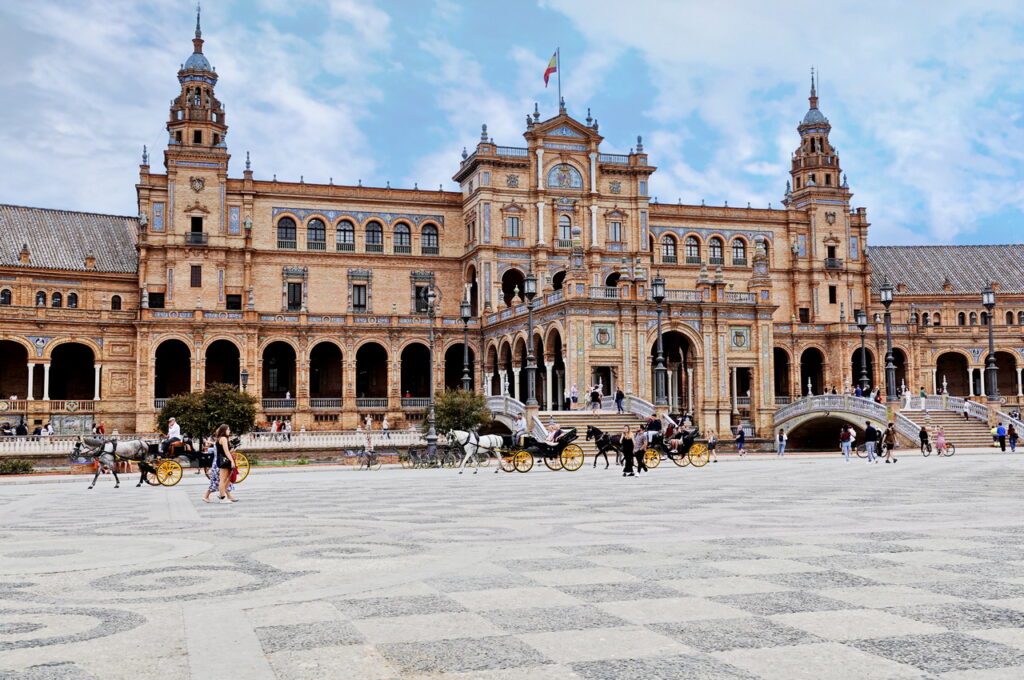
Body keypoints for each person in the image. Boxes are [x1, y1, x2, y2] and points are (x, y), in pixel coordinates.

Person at [203, 435, 236, 503]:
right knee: (219, 481)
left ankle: (228, 496)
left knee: (223, 480)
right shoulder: (222, 440)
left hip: (218, 461)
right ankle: (208, 496)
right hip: (220, 462)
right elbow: (226, 452)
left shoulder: (217, 441)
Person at [213, 424, 237, 504]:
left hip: (223, 459)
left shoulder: (222, 438)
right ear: (224, 430)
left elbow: (226, 451)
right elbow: (226, 452)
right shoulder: (223, 438)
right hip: (223, 460)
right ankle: (222, 498)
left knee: (227, 478)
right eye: (228, 429)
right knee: (223, 479)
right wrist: (232, 461)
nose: (229, 431)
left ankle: (221, 494)